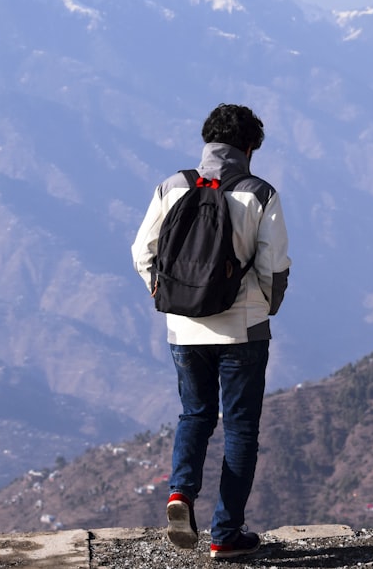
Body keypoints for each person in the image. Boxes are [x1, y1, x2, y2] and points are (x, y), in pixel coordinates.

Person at [131, 103, 291, 560]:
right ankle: (225, 535)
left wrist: (167, 295)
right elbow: (273, 265)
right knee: (240, 431)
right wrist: (265, 307)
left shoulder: (172, 186)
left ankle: (180, 493)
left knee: (195, 415)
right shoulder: (259, 193)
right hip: (243, 328)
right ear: (248, 147)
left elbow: (143, 252)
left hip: (183, 329)